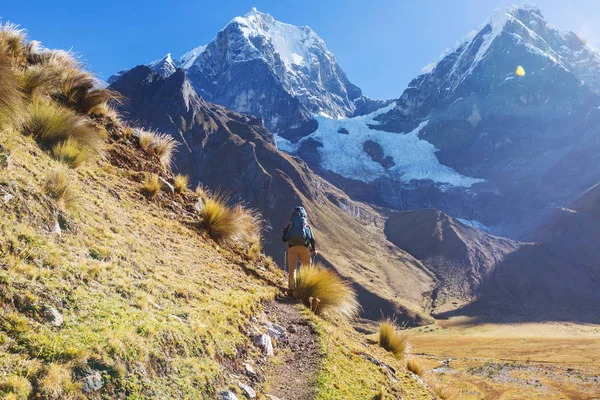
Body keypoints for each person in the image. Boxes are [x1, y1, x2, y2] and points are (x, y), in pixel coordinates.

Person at [282, 206, 317, 295]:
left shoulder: (290, 225)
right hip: (305, 249)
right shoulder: (307, 226)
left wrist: (285, 233)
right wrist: (313, 249)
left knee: (292, 269)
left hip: (292, 248)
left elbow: (284, 239)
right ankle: (304, 289)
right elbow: (312, 239)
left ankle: (291, 289)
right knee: (306, 268)